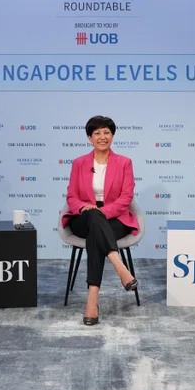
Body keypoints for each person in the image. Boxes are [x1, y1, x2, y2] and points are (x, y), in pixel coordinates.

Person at [62, 116, 139, 326]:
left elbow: (126, 197)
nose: (102, 137)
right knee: (93, 218)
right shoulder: (79, 163)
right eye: (97, 133)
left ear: (112, 136)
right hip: (82, 218)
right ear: (89, 137)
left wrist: (103, 211)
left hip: (115, 218)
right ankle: (120, 267)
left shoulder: (124, 163)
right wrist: (85, 208)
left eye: (106, 132)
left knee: (96, 233)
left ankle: (92, 300)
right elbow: (71, 196)